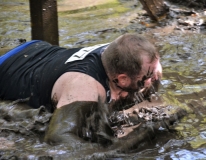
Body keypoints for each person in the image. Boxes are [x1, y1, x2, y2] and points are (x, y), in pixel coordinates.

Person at [0, 33, 162, 144]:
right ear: (123, 79)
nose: (156, 76)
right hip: (8, 70)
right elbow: (57, 138)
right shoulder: (84, 88)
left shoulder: (125, 54)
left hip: (37, 50)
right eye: (149, 76)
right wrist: (122, 146)